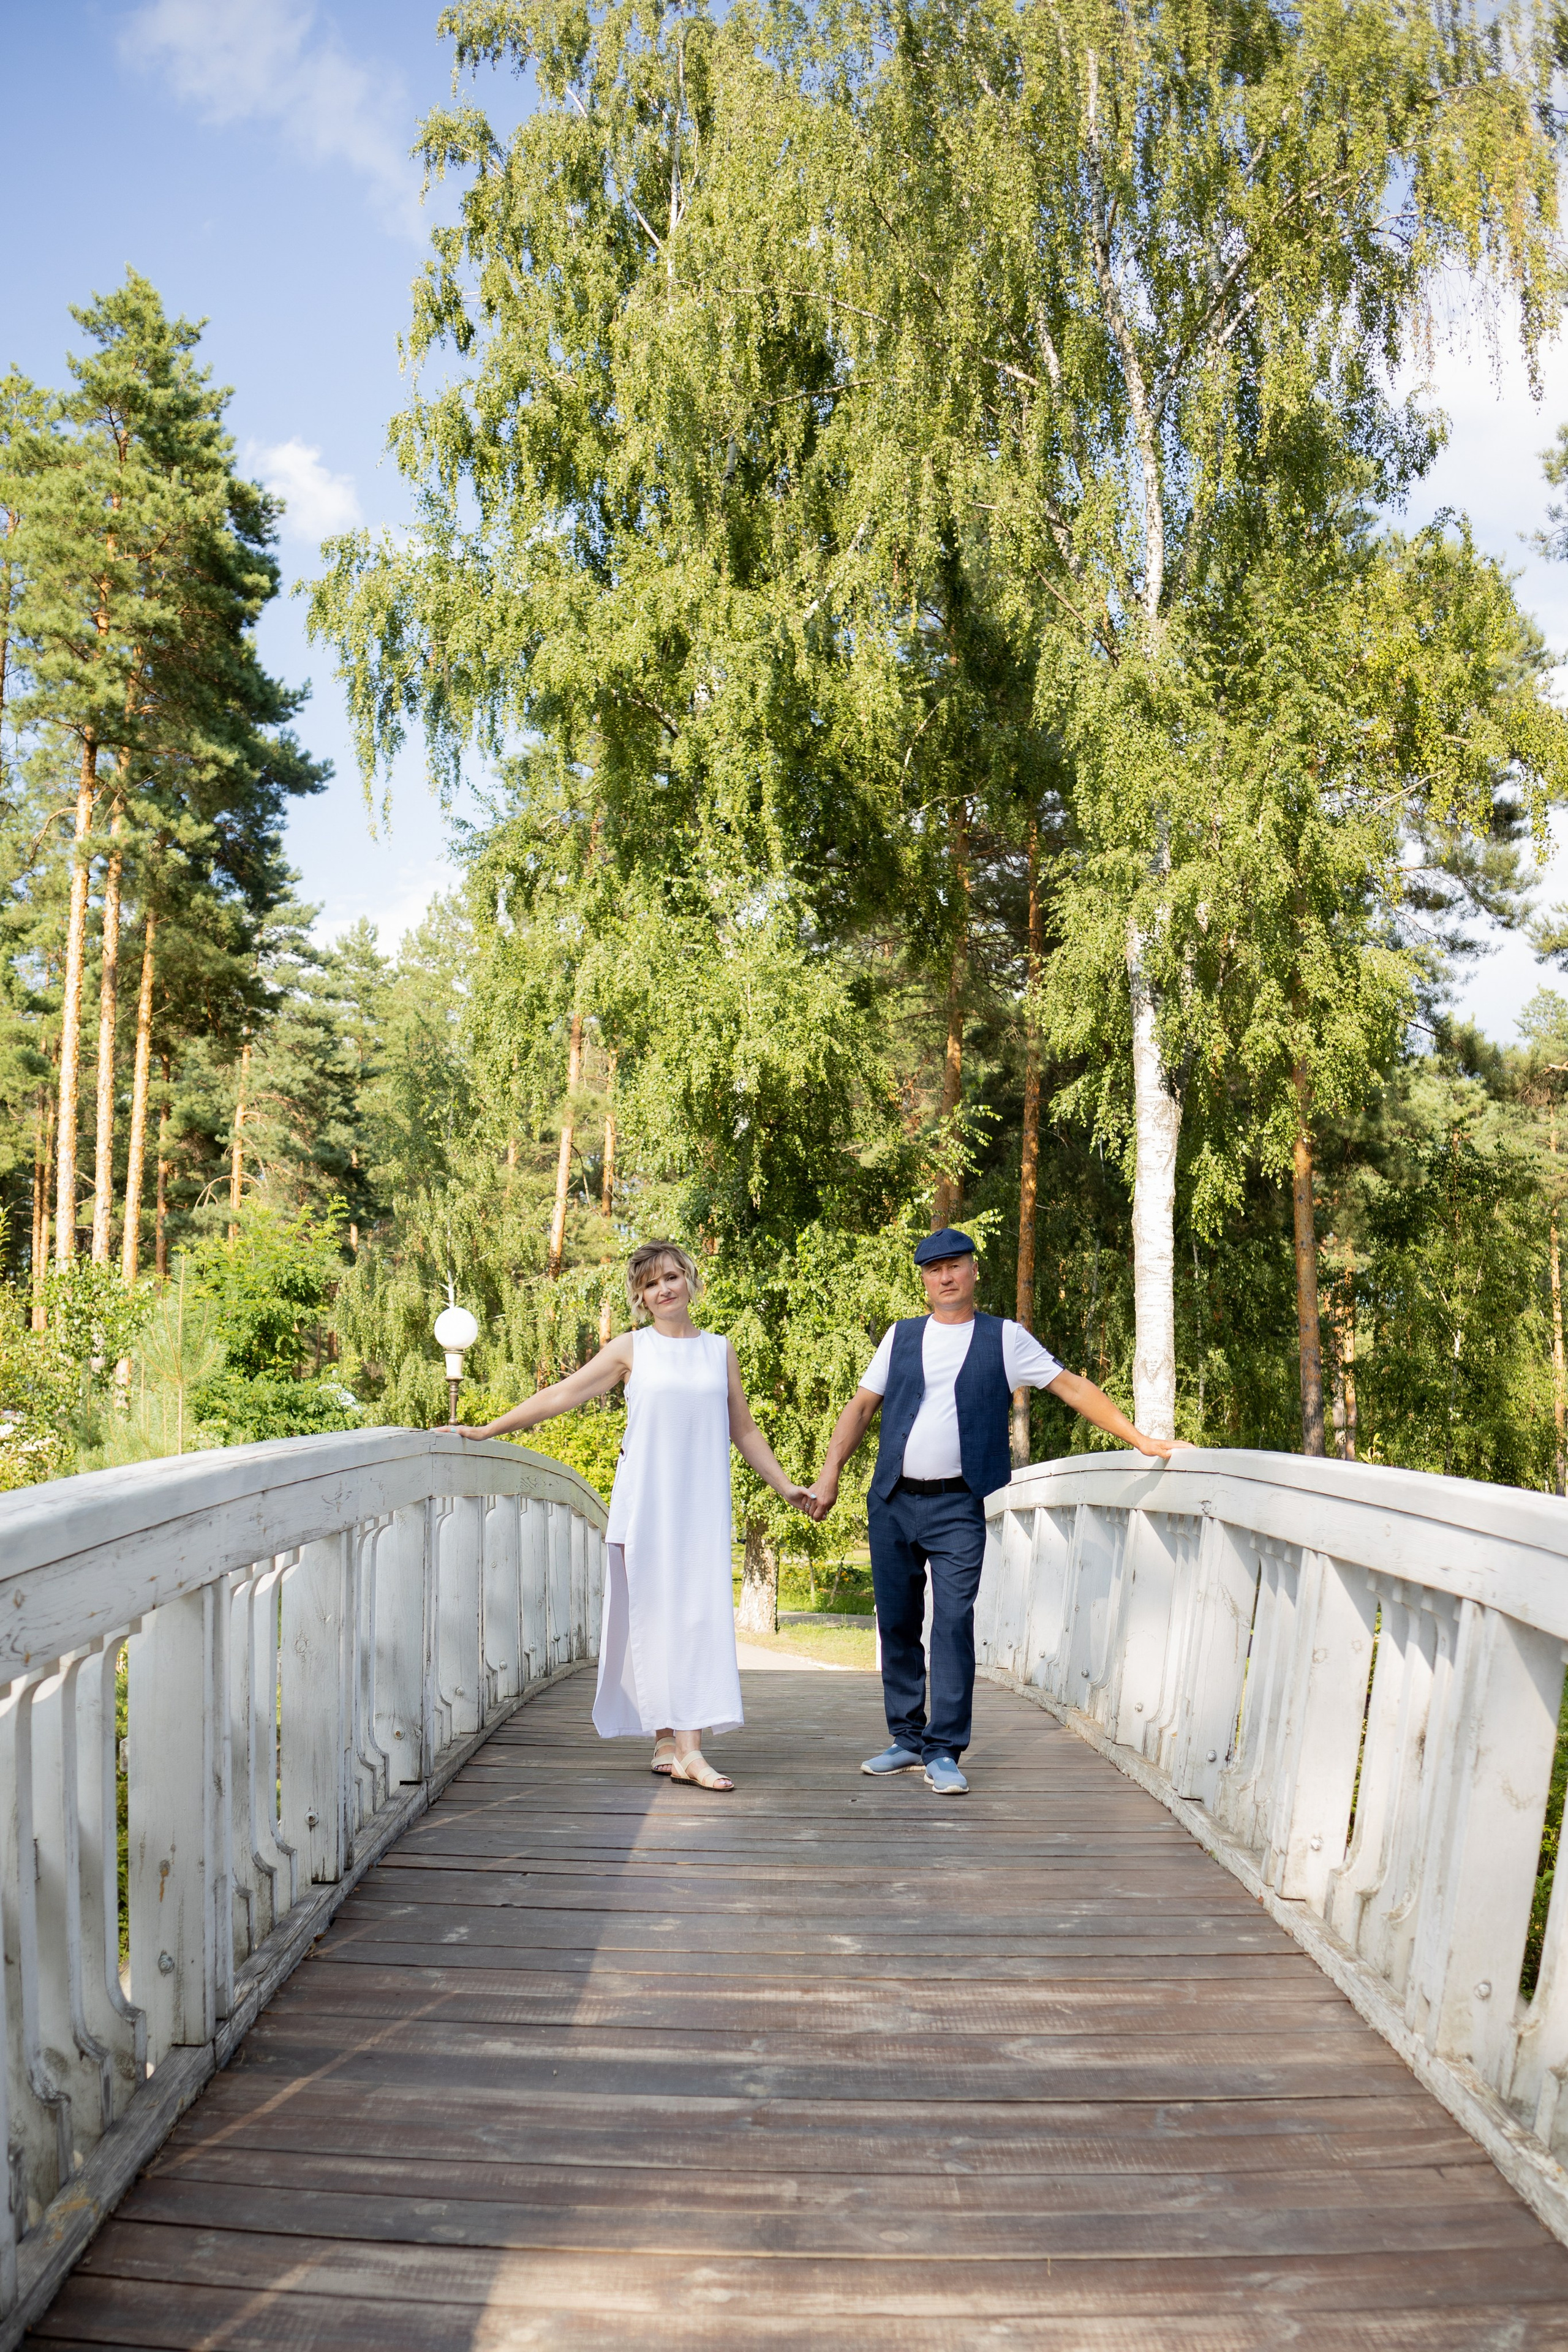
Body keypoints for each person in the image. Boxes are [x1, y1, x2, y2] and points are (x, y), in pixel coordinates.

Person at [807, 1227, 1180, 1795]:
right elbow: (860, 1408)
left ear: (974, 1270)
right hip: (892, 1501)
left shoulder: (1005, 1339)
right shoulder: (901, 1336)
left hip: (958, 1504)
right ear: (925, 1280)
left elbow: (1073, 1388)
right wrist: (829, 1474)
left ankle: (943, 1750)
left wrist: (1142, 1440)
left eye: (955, 1265)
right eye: (934, 1270)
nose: (946, 1277)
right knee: (899, 1622)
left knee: (953, 1621)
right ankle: (907, 1738)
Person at [462, 1240, 813, 1790]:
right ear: (640, 1297)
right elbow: (560, 1395)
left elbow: (742, 1428)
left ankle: (682, 1746)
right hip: (647, 1503)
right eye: (651, 1283)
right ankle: (676, 1743)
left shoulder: (718, 1350)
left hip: (700, 1506)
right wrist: (488, 1429)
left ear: (690, 1281)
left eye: (672, 1277)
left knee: (696, 1616)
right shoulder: (632, 1349)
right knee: (655, 1617)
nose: (664, 1289)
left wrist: (785, 1485)